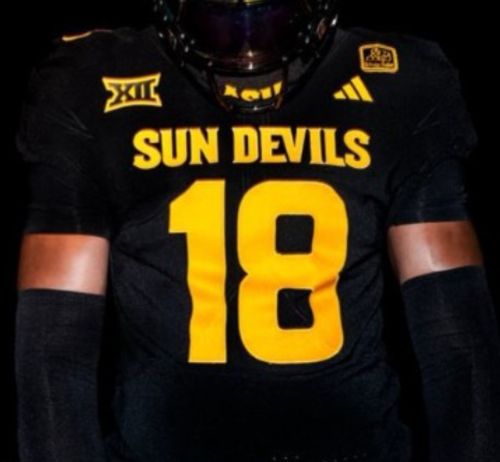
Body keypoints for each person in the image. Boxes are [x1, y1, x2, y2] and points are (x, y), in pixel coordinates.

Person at [14, 1, 500, 461]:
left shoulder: (398, 80)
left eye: (269, 15)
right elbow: (57, 340)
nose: (246, 36)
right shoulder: (91, 81)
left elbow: (453, 333)